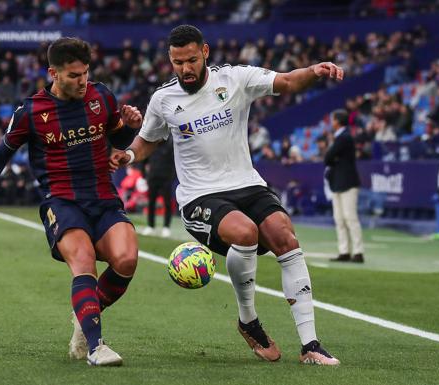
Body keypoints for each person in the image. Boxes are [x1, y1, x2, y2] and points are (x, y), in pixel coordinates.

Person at [110, 25, 342, 365]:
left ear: (205, 52)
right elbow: (148, 139)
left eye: (191, 60)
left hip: (247, 183)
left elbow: (289, 81)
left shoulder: (236, 79)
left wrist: (315, 71)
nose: (185, 69)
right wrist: (128, 156)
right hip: (199, 196)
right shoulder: (163, 99)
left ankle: (310, 345)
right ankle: (248, 320)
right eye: (177, 62)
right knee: (245, 231)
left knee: (285, 236)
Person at [0, 37, 142, 367]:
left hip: (103, 198)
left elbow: (118, 136)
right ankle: (96, 347)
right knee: (84, 260)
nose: (81, 82)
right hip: (62, 201)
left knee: (126, 261)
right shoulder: (31, 111)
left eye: (85, 73)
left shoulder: (102, 95)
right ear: (53, 72)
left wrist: (130, 127)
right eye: (73, 75)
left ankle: (84, 319)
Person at [325, 109, 364, 263]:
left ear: (338, 121)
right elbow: (330, 157)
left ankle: (358, 251)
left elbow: (328, 156)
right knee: (340, 219)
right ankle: (344, 251)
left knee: (350, 217)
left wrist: (332, 157)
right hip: (338, 182)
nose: (331, 122)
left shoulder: (344, 137)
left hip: (347, 182)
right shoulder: (341, 137)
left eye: (333, 119)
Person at [142, 136, 175, 237]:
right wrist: (144, 176)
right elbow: (144, 161)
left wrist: (171, 177)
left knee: (167, 203)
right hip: (152, 178)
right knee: (151, 203)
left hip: (166, 179)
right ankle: (150, 226)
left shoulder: (170, 145)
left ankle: (166, 227)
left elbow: (175, 162)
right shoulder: (151, 146)